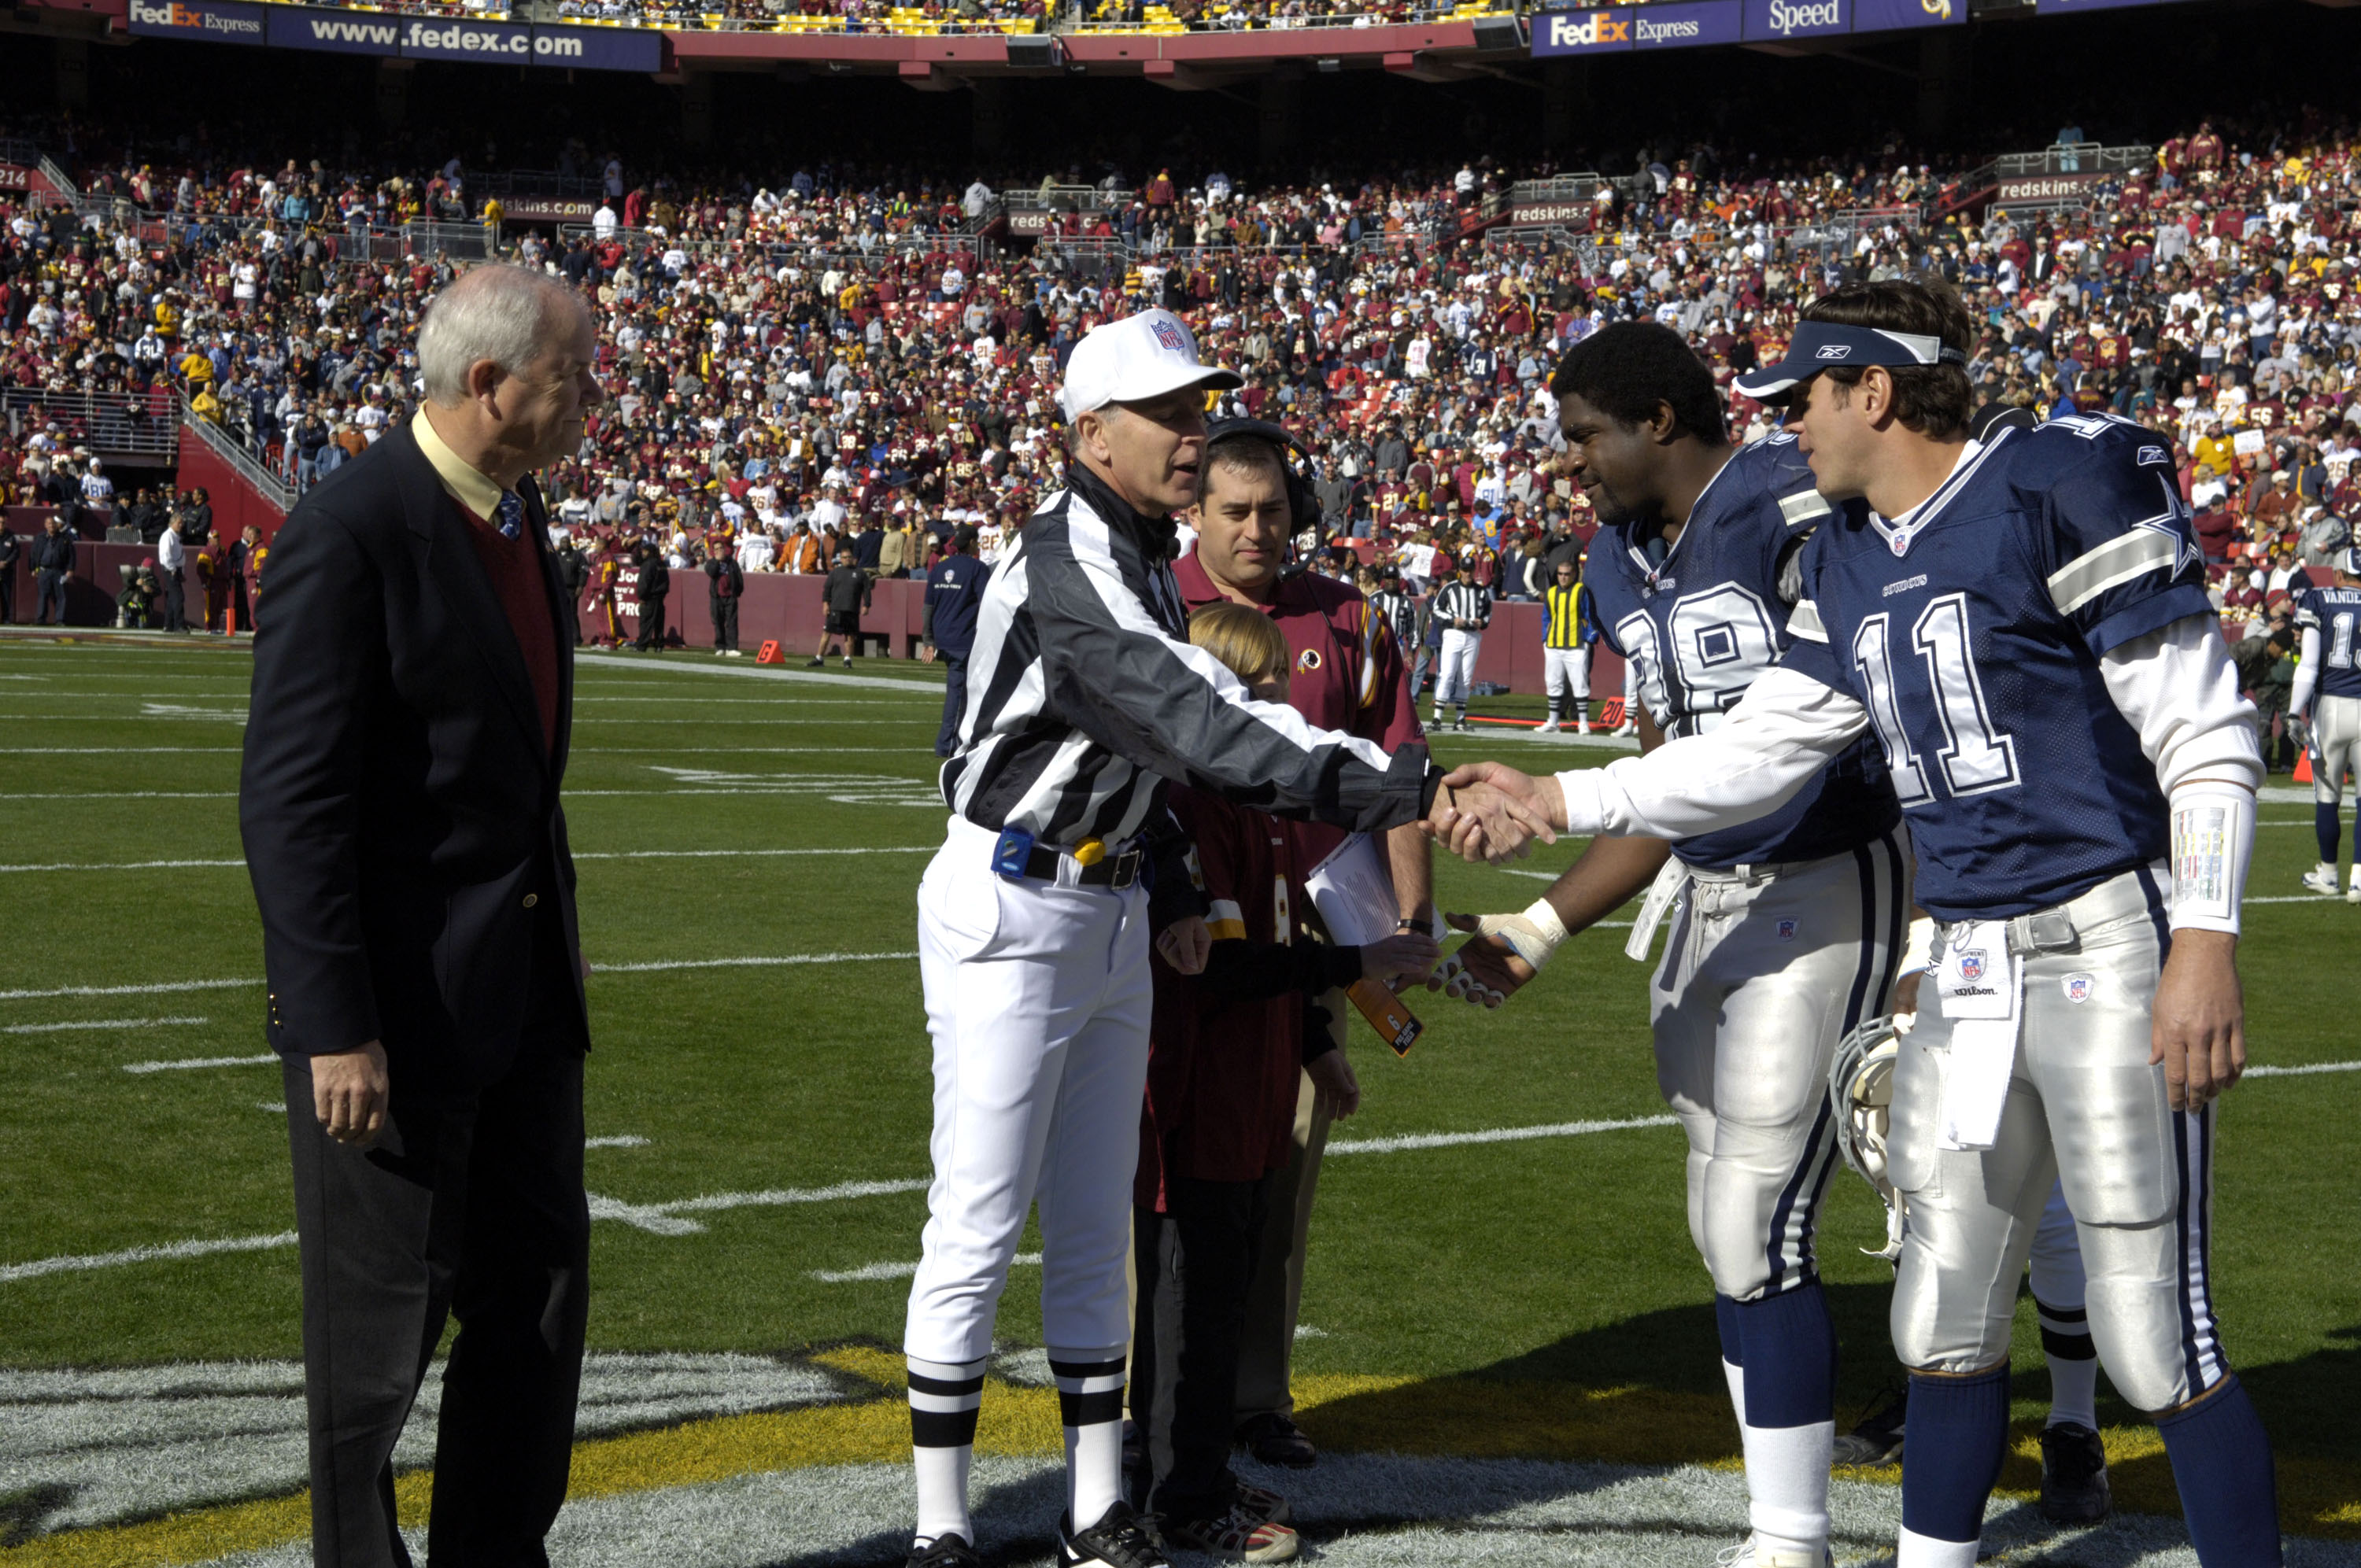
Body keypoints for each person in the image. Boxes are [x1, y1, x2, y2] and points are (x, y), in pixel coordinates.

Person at [1439, 280, 2280, 1568]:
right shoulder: (1843, 545)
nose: (1792, 426)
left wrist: (2205, 940)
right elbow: (1763, 743)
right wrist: (1559, 794)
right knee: (1940, 1316)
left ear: (1874, 390)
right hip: (1962, 959)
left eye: (1810, 397)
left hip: (2108, 935)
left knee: (2157, 1336)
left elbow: (2207, 729)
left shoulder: (2055, 484)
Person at [901, 309, 1538, 1568]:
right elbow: (1196, 722)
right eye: (1169, 415)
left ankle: (1097, 1509)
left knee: (1092, 1221)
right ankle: (939, 1523)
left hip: (1111, 903)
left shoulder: (1131, 551)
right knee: (975, 1218)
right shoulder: (1077, 556)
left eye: (1198, 410)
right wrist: (1414, 787)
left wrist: (1181, 886)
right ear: (1091, 433)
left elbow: (1158, 762)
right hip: (1018, 901)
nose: (1193, 435)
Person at [1434, 321, 1908, 1568]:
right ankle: (1782, 1509)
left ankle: (1791, 1535)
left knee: (1761, 1218)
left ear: (1657, 416)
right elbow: (1668, 777)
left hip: (1831, 867)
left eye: (1589, 434)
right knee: (1719, 1218)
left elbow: (1857, 699)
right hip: (1709, 888)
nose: (1576, 462)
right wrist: (1541, 922)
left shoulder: (1785, 498)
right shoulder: (1617, 554)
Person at [238, 264, 603, 1568]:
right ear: (488, 382)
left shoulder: (514, 519)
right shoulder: (353, 528)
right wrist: (335, 1020)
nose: (592, 403)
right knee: (375, 1348)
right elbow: (292, 800)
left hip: (521, 1007)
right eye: (574, 377)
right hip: (394, 1020)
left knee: (538, 1309)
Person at [1130, 602, 1439, 1562]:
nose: (1273, 700)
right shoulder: (1194, 806)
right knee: (1193, 1298)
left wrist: (1317, 1036)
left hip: (1256, 1084)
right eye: (1254, 687)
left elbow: (1280, 938)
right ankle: (1180, 1494)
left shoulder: (1256, 807)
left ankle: (1198, 1471)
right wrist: (1348, 965)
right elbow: (1218, 968)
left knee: (1228, 1287)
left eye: (1273, 683)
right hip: (1201, 1091)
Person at [1172, 419, 1435, 1473]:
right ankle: (1168, 1394)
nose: (1255, 529)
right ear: (1195, 512)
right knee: (1173, 1163)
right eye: (1233, 510)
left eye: (1272, 509)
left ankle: (1254, 1395)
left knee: (1285, 1158)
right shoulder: (1154, 607)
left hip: (1311, 927)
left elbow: (1404, 767)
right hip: (1183, 915)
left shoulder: (1348, 617)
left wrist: (1409, 922)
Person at [2289, 544, 2361, 899]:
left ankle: (2330, 875)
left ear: (2337, 575)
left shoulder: (2320, 600)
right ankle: (2359, 879)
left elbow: (2310, 663)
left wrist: (2293, 711)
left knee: (2328, 796)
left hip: (2331, 708)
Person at [924, 527, 988, 758]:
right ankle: (949, 742)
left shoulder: (939, 568)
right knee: (961, 692)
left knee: (962, 690)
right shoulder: (977, 569)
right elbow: (986, 604)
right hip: (966, 639)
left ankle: (961, 738)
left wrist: (928, 640)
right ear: (971, 542)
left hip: (944, 637)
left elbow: (928, 608)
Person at [1429, 552, 1490, 732]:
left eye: (1470, 570)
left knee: (1465, 677)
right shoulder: (1449, 589)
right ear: (1459, 571)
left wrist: (1483, 622)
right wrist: (1453, 619)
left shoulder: (1481, 591)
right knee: (1447, 674)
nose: (1467, 573)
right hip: (1454, 634)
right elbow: (1437, 610)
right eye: (1464, 570)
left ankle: (1460, 719)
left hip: (1472, 635)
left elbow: (1488, 612)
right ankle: (1437, 718)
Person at [1535, 555, 1594, 734]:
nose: (1563, 577)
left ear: (1574, 574)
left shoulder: (1581, 590)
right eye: (1560, 574)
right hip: (1553, 645)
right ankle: (1553, 721)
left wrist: (1589, 639)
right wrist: (1545, 639)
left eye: (1567, 574)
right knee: (1553, 682)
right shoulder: (1551, 592)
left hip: (1576, 645)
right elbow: (1546, 617)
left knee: (1579, 683)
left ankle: (1583, 722)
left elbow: (1591, 616)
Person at [814, 552, 870, 668]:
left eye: (849, 557)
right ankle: (819, 658)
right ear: (841, 559)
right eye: (844, 557)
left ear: (853, 559)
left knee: (849, 635)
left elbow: (867, 590)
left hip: (851, 609)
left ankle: (848, 659)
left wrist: (866, 605)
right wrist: (826, 604)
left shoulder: (860, 573)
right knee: (827, 633)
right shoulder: (835, 572)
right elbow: (827, 589)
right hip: (836, 608)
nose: (847, 559)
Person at [30, 511, 76, 625]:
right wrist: (33, 568)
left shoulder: (65, 539)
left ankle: (59, 620)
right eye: (49, 524)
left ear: (57, 525)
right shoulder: (40, 538)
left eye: (53, 523)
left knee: (60, 596)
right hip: (43, 570)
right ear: (45, 525)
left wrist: (70, 570)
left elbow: (71, 555)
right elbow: (33, 554)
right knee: (43, 595)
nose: (51, 526)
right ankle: (41, 619)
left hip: (58, 571)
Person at [704, 537, 744, 657]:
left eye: (721, 548)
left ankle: (731, 648)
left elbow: (739, 579)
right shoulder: (711, 563)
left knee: (732, 622)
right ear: (714, 551)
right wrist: (717, 561)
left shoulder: (732, 563)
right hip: (716, 597)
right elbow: (711, 573)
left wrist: (737, 592)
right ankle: (720, 647)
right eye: (716, 549)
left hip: (730, 596)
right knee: (718, 622)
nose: (719, 551)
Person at [632, 536, 669, 651]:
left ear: (650, 552)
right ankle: (659, 645)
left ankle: (641, 646)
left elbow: (644, 582)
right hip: (660, 598)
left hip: (649, 598)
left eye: (645, 551)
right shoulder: (662, 564)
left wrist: (642, 596)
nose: (643, 553)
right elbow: (667, 582)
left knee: (646, 623)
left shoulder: (648, 564)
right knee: (659, 624)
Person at [156, 511, 187, 632]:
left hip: (176, 569)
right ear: (172, 523)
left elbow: (179, 555)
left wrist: (181, 571)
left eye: (182, 523)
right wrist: (173, 569)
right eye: (179, 523)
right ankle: (179, 625)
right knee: (179, 597)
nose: (181, 525)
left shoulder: (176, 536)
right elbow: (165, 555)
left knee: (172, 599)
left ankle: (168, 625)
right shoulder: (167, 536)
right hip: (171, 570)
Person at [0, 524, 17, 624]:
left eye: (3, 523)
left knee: (6, 595)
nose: (1, 525)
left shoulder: (11, 536)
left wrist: (6, 562)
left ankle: (6, 618)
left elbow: (16, 552)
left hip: (6, 570)